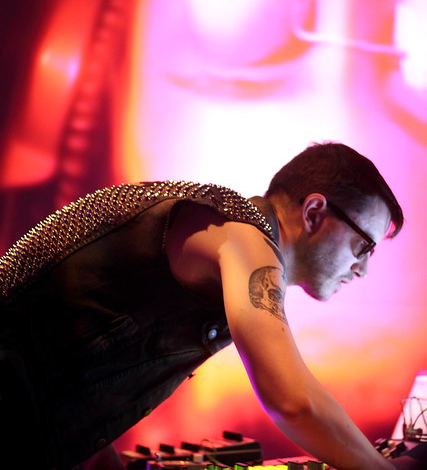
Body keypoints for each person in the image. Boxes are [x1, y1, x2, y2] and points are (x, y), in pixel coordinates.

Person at [0, 141, 421, 470]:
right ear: (313, 213)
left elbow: (68, 376)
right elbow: (292, 400)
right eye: (363, 246)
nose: (363, 269)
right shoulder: (240, 236)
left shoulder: (225, 231)